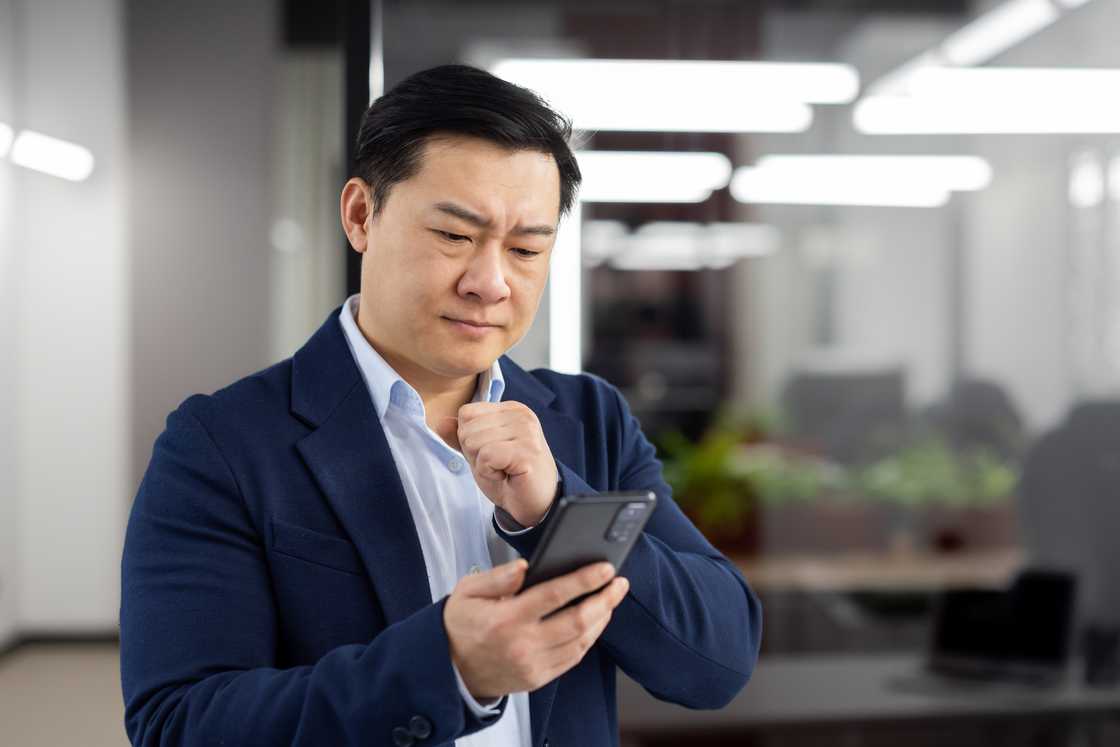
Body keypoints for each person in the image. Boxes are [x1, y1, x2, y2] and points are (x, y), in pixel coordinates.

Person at [120, 64, 762, 747]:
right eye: (455, 236)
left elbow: (718, 659)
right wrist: (448, 667)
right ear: (362, 214)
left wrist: (556, 512)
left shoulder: (587, 420)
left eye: (525, 248)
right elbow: (180, 723)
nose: (489, 282)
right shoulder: (222, 444)